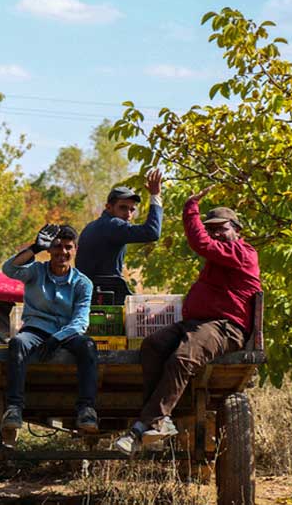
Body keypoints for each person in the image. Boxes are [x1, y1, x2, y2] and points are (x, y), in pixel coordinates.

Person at [115, 185, 261, 454]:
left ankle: (145, 425)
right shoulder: (217, 260)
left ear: (237, 230)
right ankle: (160, 421)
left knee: (182, 358)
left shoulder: (243, 253)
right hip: (197, 324)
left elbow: (200, 242)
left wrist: (191, 206)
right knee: (152, 345)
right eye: (212, 227)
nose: (216, 232)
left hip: (226, 326)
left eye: (222, 227)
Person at [0, 223, 99, 439]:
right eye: (56, 246)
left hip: (67, 334)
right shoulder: (36, 271)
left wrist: (57, 338)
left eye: (68, 247)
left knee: (88, 347)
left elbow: (80, 321)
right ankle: (14, 408)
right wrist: (34, 248)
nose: (62, 252)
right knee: (17, 343)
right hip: (36, 329)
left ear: (75, 250)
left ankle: (86, 410)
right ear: (49, 249)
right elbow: (9, 270)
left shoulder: (83, 283)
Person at [75, 169, 163, 304]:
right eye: (123, 208)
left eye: (132, 209)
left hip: (88, 293)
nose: (128, 214)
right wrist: (155, 196)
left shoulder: (92, 226)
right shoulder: (113, 225)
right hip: (104, 296)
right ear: (108, 207)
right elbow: (152, 232)